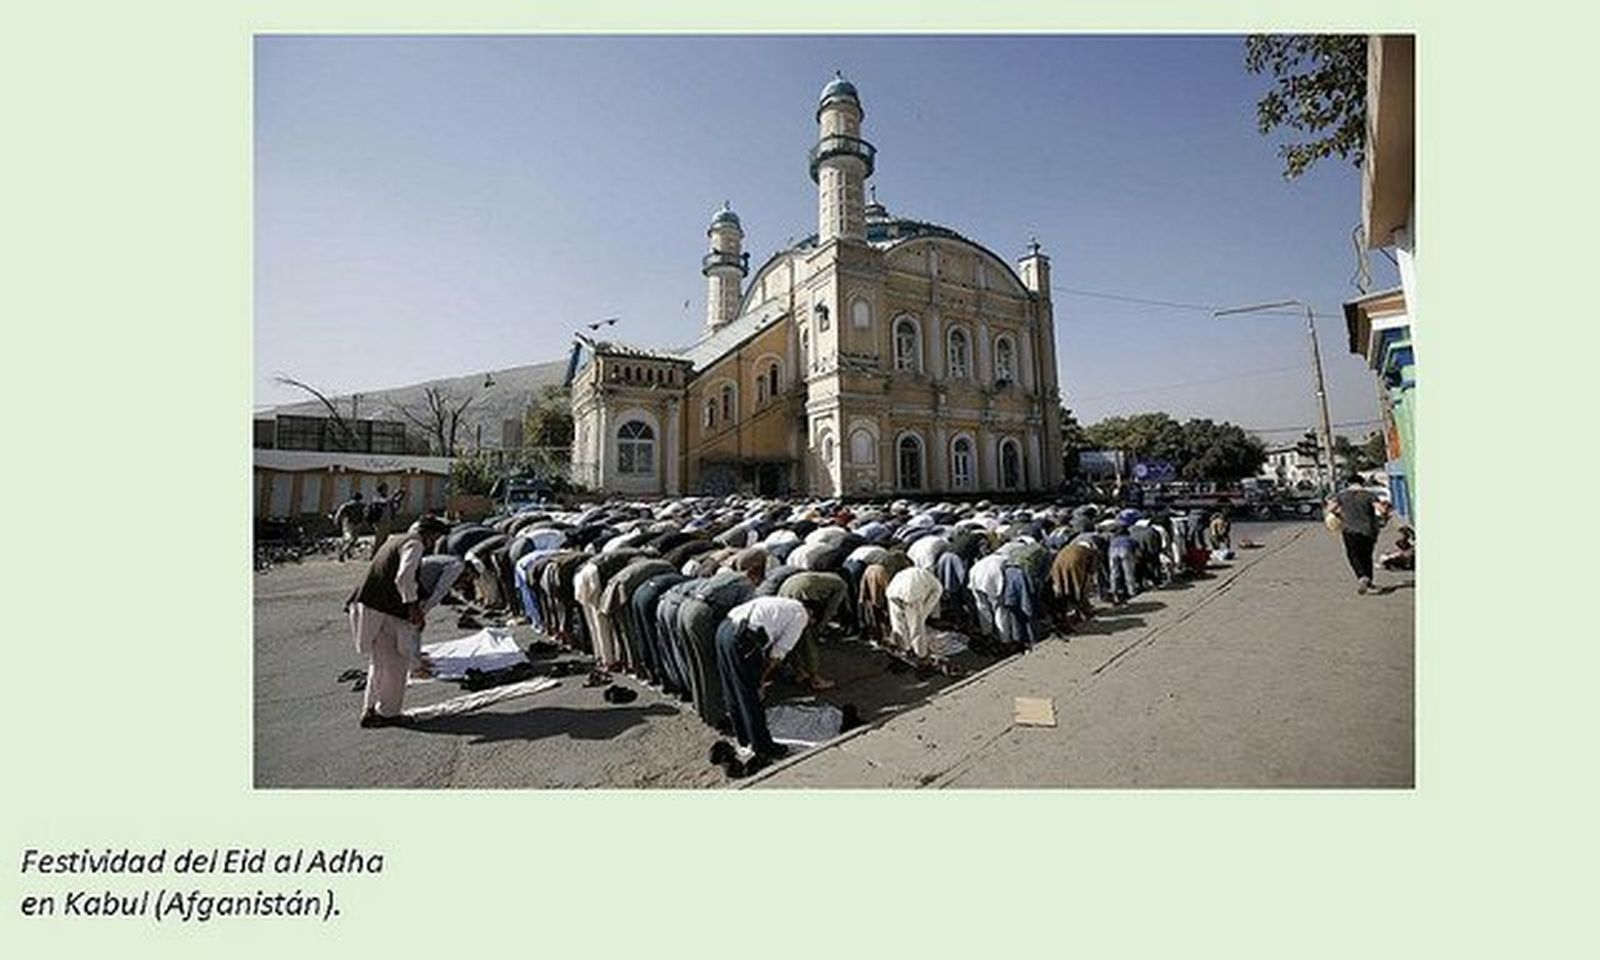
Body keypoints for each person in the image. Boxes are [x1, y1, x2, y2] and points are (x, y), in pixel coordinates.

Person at [347, 515, 451, 728]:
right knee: (396, 664)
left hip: (370, 605)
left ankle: (370, 709)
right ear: (430, 535)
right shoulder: (414, 543)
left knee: (380, 662)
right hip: (384, 610)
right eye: (436, 537)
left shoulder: (396, 538)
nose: (434, 543)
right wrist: (413, 608)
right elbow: (404, 577)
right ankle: (388, 713)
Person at [714, 596, 817, 769]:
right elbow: (777, 654)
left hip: (724, 629)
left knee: (732, 688)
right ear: (811, 614)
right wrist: (760, 681)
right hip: (743, 639)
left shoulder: (782, 603)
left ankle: (743, 737)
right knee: (750, 695)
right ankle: (763, 746)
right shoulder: (801, 616)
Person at [1326, 480, 1385, 593]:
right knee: (1367, 556)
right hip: (1368, 531)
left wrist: (1338, 515)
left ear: (1348, 484)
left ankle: (1362, 577)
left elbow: (1330, 509)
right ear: (1362, 484)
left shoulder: (1341, 496)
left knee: (1353, 555)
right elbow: (1381, 510)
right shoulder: (1369, 495)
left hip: (1350, 531)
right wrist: (1384, 516)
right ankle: (1369, 581)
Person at [367, 482, 405, 559]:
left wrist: (401, 495)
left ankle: (380, 555)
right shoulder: (376, 498)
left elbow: (394, 504)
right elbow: (385, 501)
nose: (387, 490)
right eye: (385, 488)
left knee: (384, 539)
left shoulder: (387, 498)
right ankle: (373, 555)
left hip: (387, 521)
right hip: (379, 522)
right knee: (379, 540)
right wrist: (394, 494)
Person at [332, 490, 366, 562]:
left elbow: (339, 513)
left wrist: (337, 521)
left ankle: (347, 553)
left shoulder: (348, 505)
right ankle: (342, 553)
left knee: (349, 539)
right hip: (353, 523)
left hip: (349, 523)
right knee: (352, 540)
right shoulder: (357, 505)